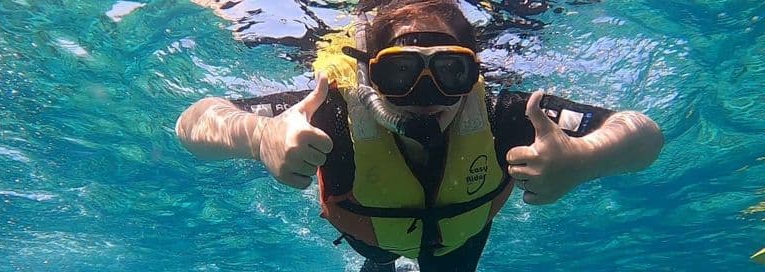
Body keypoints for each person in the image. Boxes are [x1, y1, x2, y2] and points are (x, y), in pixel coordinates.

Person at [175, 0, 663, 271]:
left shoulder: (507, 112)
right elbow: (195, 122)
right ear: (368, 74)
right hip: (371, 239)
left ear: (474, 76)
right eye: (400, 71)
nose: (425, 94)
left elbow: (644, 133)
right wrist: (260, 137)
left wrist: (585, 157)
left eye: (449, 71)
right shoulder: (329, 113)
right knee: (378, 265)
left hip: (459, 246)